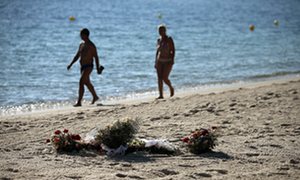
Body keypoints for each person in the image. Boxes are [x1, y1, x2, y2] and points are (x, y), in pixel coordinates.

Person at [67, 28, 101, 107]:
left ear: (85, 35)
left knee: (81, 81)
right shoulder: (81, 44)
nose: (80, 36)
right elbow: (77, 55)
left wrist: (97, 68)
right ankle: (95, 96)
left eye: (81, 34)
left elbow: (96, 57)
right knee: (87, 82)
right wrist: (71, 64)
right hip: (82, 67)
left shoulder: (91, 45)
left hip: (89, 67)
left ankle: (79, 102)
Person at [155, 25, 175, 99]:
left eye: (162, 30)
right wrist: (155, 62)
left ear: (165, 31)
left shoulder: (169, 39)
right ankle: (161, 95)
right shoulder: (158, 40)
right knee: (159, 78)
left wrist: (172, 59)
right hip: (159, 61)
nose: (160, 32)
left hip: (168, 61)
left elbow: (173, 50)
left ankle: (171, 87)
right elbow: (157, 52)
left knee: (165, 78)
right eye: (159, 31)